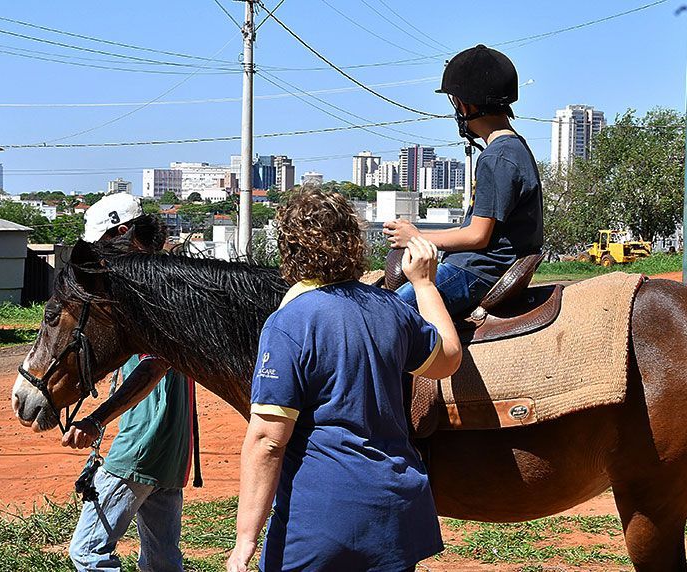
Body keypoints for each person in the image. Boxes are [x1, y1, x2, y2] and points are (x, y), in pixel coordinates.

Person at [227, 189, 462, 572]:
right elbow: (448, 359)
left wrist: (245, 539)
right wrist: (424, 284)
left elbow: (268, 440)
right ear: (353, 242)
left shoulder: (289, 322)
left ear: (289, 247)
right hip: (396, 514)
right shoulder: (391, 309)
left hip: (321, 520)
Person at [62, 193, 196, 572]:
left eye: (103, 245)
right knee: (161, 561)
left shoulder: (152, 291)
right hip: (172, 448)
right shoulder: (174, 280)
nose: (100, 258)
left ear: (124, 234)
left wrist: (95, 420)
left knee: (88, 553)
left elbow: (154, 367)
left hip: (142, 444)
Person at [384, 45, 544, 318]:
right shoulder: (515, 148)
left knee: (385, 316)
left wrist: (417, 237)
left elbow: (477, 235)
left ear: (466, 105)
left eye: (455, 101)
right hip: (483, 266)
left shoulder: (496, 157)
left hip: (475, 271)